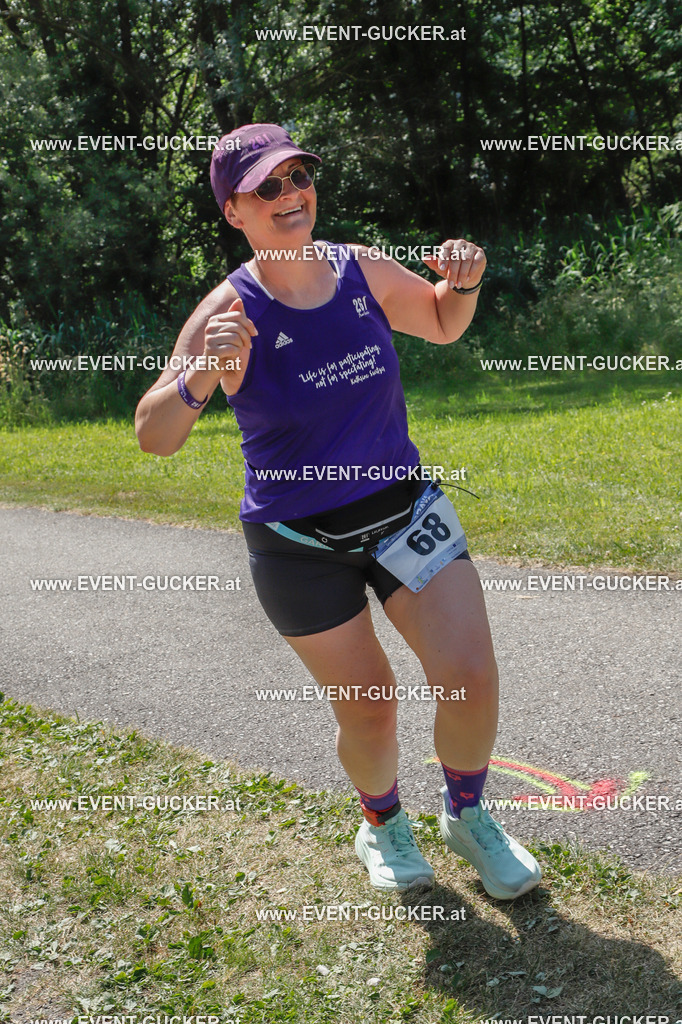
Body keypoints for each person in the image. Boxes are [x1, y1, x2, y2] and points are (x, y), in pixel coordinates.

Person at [135, 123, 541, 900]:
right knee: (371, 711)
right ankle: (383, 824)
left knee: (469, 678)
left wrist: (463, 281)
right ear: (234, 211)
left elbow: (442, 321)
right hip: (298, 543)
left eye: (298, 178)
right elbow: (154, 435)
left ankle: (468, 816)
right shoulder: (228, 309)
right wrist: (199, 379)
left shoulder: (358, 269)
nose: (291, 196)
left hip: (404, 510)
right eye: (268, 187)